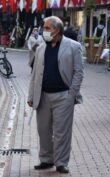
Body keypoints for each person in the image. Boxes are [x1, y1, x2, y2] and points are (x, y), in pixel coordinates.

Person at [27, 16, 84, 174]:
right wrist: (31, 95)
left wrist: (71, 94)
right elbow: (35, 74)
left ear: (56, 30)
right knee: (43, 130)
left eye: (46, 28)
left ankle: (61, 162)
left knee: (61, 132)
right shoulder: (40, 48)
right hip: (43, 96)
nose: (43, 31)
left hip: (63, 96)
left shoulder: (73, 46)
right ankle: (46, 159)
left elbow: (78, 72)